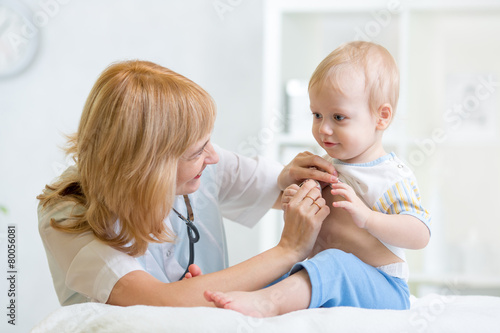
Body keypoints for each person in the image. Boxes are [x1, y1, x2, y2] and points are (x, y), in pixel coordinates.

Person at [37, 60, 338, 307]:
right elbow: (152, 300)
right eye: (196, 152)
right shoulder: (67, 214)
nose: (213, 157)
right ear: (150, 167)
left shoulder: (201, 162)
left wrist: (293, 177)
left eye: (209, 143)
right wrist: (288, 250)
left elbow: (280, 186)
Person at [204, 41, 431, 316]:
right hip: (325, 276)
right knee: (283, 271)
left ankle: (268, 304)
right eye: (317, 114)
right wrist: (292, 199)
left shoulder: (390, 175)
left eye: (338, 117)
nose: (323, 128)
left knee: (333, 264)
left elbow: (420, 234)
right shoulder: (325, 168)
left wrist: (368, 217)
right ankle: (215, 294)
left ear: (381, 117)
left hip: (383, 286)